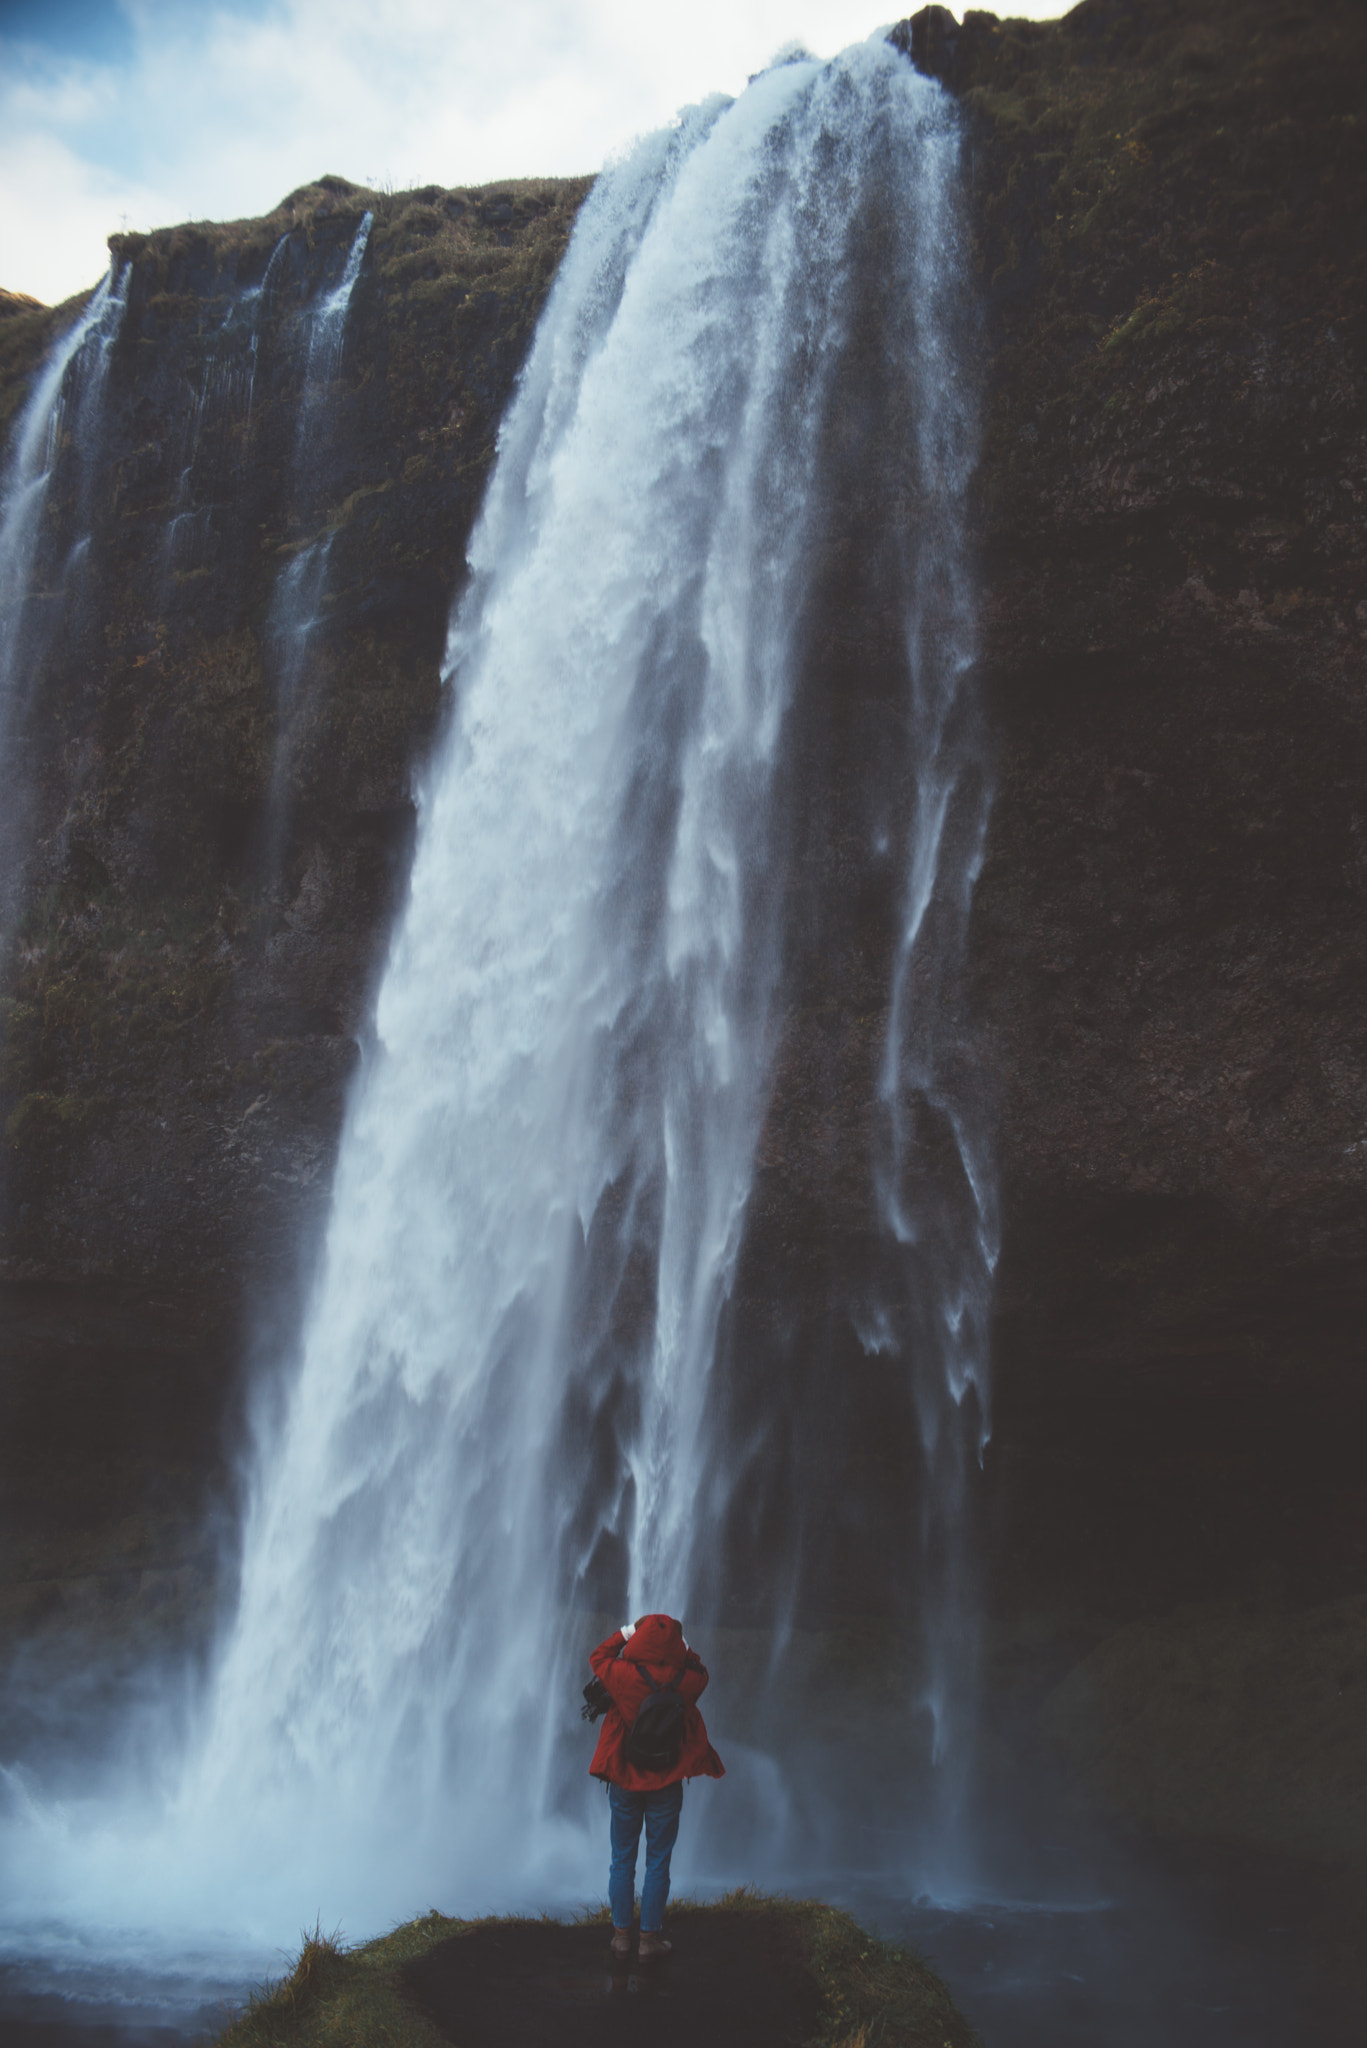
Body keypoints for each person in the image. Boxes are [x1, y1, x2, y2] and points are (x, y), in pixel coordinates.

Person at [587, 1612, 724, 1960]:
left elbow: (598, 1657)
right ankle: (648, 1939)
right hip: (666, 1780)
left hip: (625, 1779)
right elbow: (702, 1671)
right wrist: (683, 1647)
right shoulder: (688, 1681)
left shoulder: (622, 1676)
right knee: (658, 1861)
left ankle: (620, 1936)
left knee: (622, 1859)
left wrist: (627, 1632)